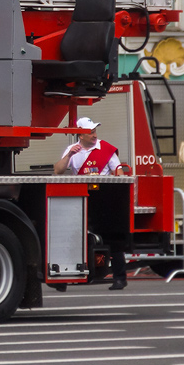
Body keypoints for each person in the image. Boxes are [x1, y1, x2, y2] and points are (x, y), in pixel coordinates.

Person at [54, 116, 128, 289]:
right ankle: (61, 278)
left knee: (113, 238)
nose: (94, 135)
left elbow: (118, 171)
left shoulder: (106, 149)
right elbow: (58, 170)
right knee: (70, 237)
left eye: (95, 131)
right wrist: (70, 154)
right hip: (80, 198)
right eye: (90, 132)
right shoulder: (72, 150)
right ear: (80, 135)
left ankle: (120, 278)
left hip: (104, 198)